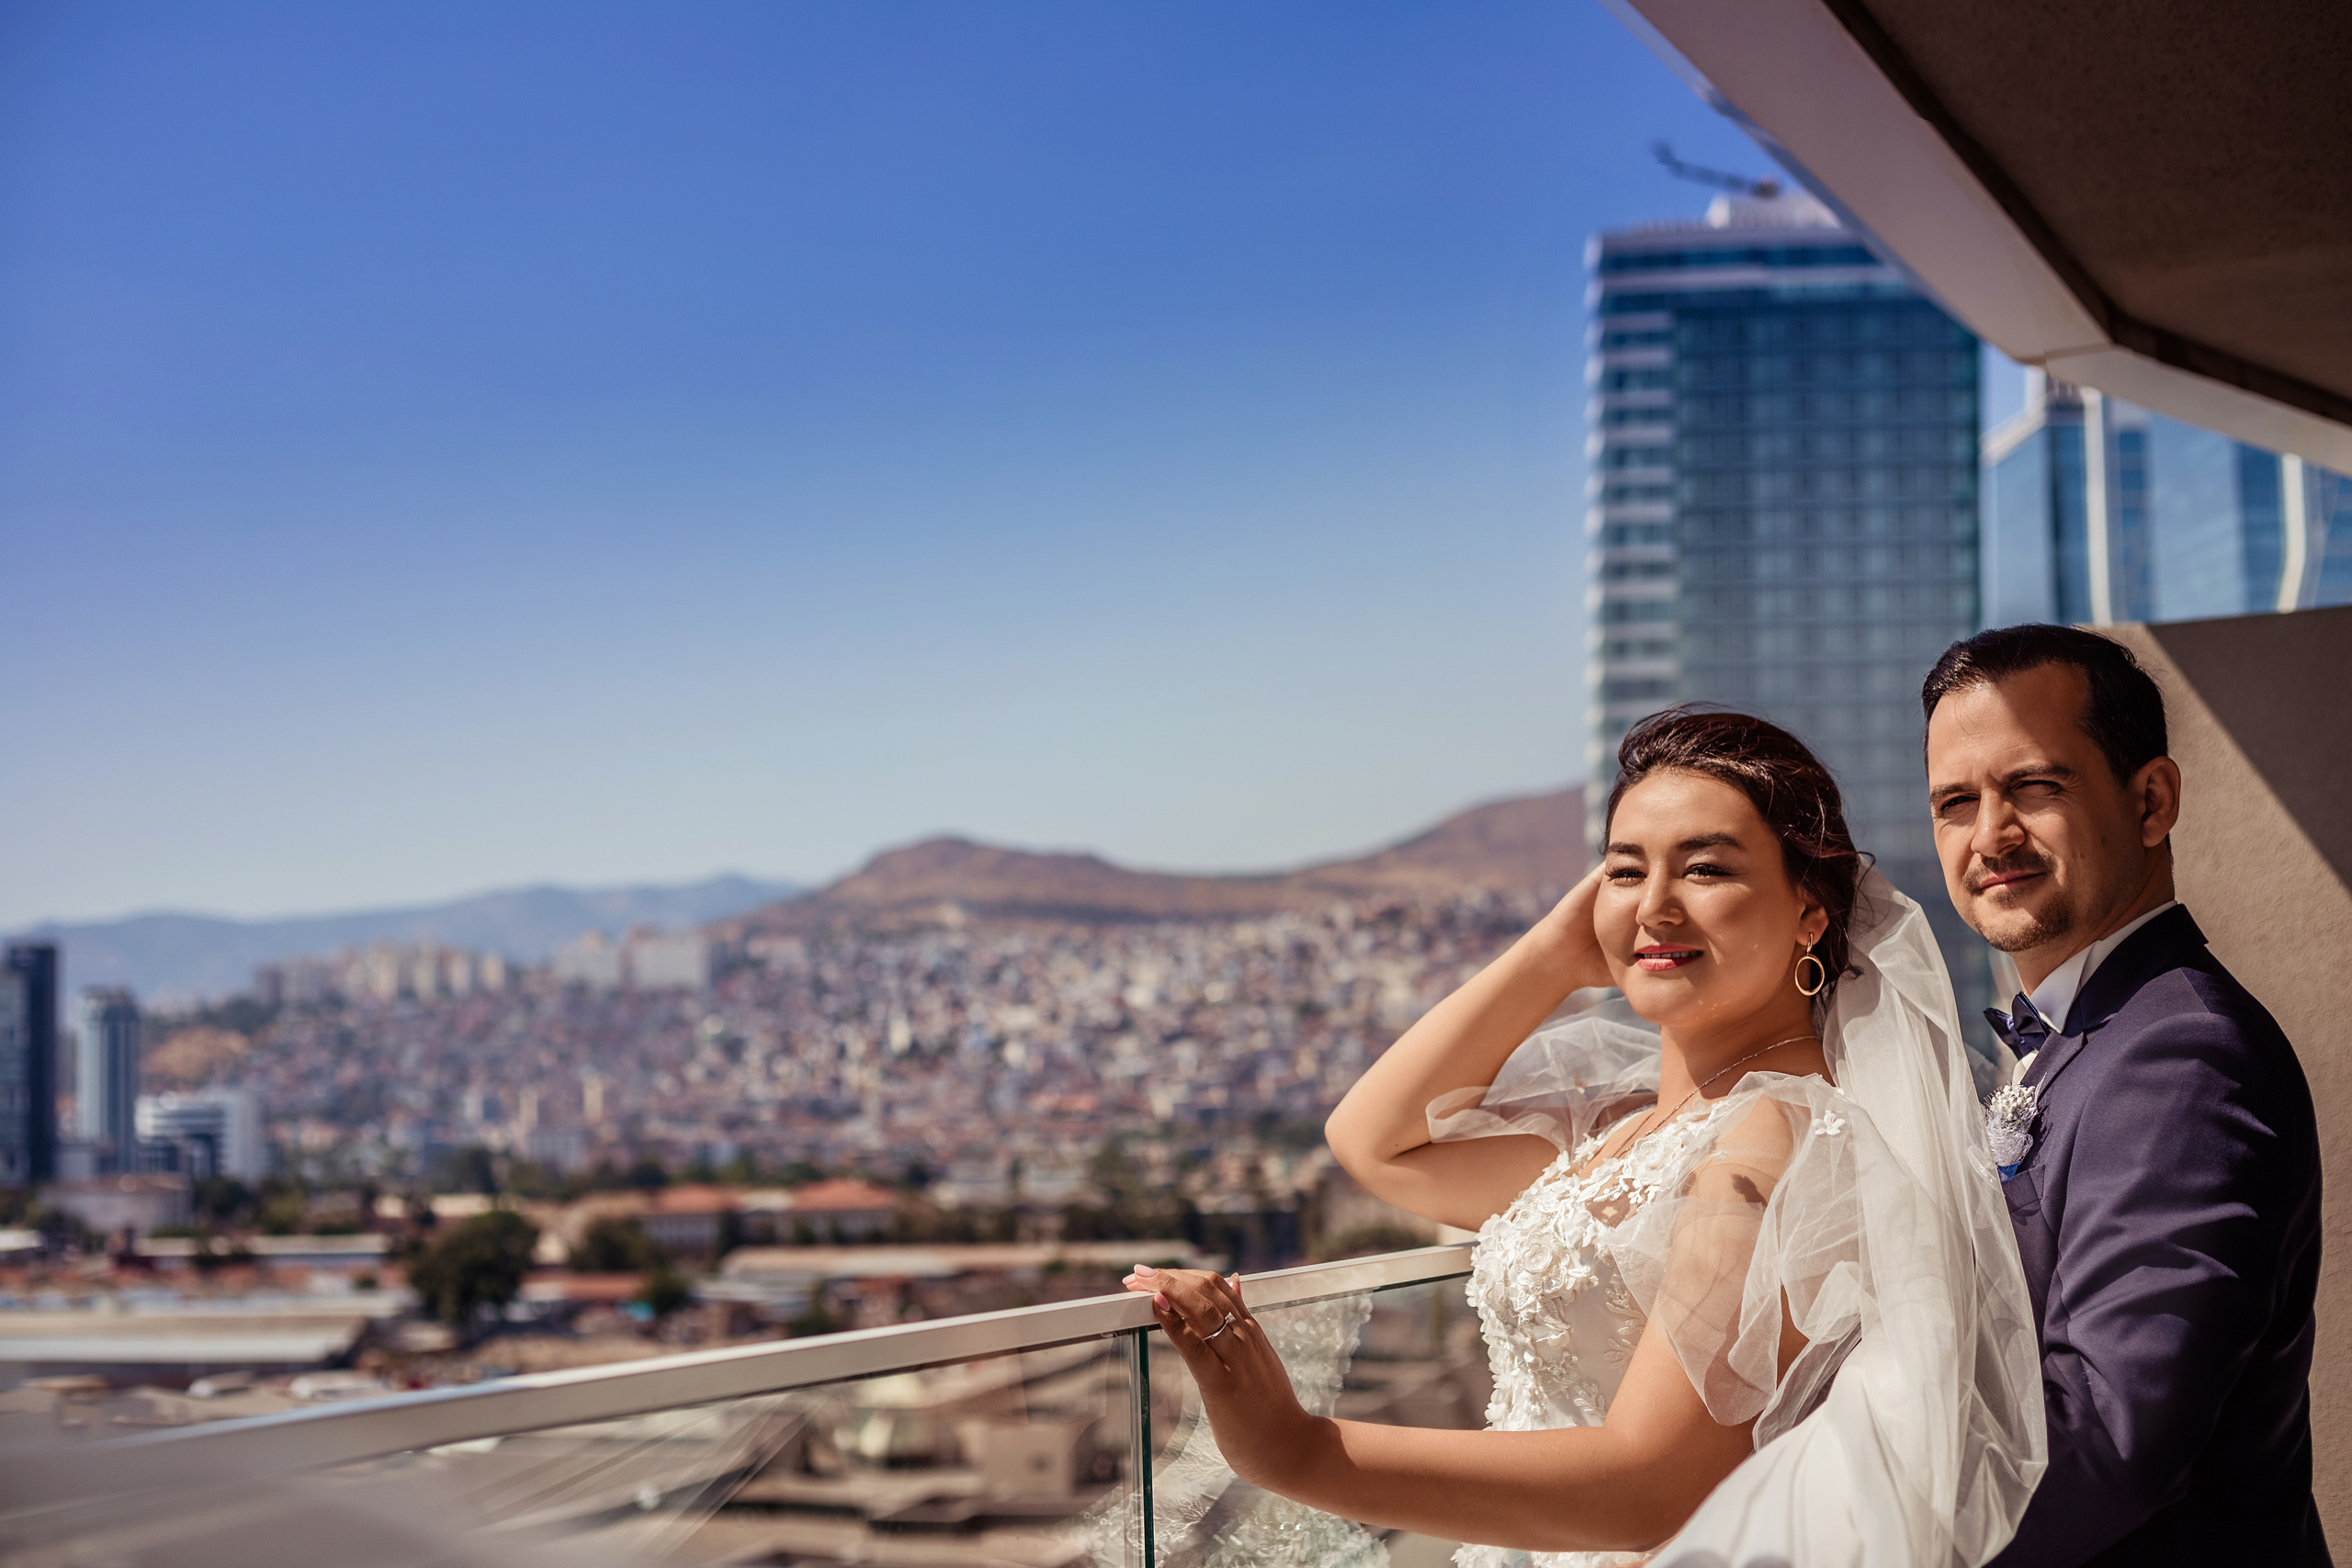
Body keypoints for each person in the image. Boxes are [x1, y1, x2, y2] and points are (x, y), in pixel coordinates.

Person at [1128, 708, 2043, 1566]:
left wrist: (1297, 1449)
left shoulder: (1777, 1137)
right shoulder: (1628, 1126)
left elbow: (1653, 1483)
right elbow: (1373, 1143)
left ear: (1811, 911)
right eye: (1624, 869)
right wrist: (1556, 954)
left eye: (1705, 869)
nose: (1655, 906)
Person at [1921, 625, 2327, 1567]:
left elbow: (2106, 1442)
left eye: (2034, 786)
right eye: (1956, 802)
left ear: (2151, 801)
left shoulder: (2181, 1057)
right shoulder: (2092, 1035)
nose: (1990, 835)